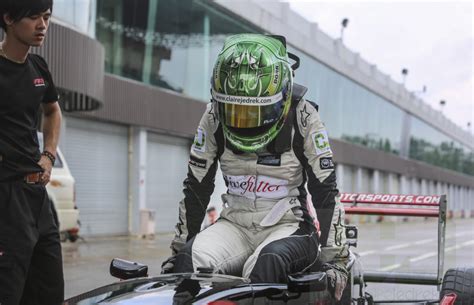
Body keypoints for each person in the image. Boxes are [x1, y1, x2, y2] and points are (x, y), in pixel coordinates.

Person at [162, 34, 349, 301]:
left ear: (281, 96)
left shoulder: (303, 115)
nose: (243, 119)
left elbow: (325, 190)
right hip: (234, 224)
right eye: (234, 109)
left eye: (253, 111)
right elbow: (196, 187)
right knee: (187, 263)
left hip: (288, 226)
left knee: (265, 268)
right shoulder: (213, 115)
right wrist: (178, 250)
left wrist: (335, 259)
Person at [0, 0, 64, 304]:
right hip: (5, 199)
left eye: (47, 17)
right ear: (9, 18)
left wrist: (48, 155)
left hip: (38, 199)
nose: (42, 25)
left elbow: (53, 111)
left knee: (49, 292)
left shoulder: (39, 68)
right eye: (34, 17)